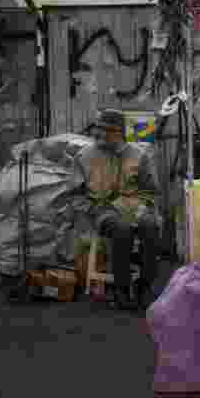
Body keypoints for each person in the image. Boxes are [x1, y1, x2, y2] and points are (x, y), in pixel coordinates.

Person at [76, 109, 162, 311]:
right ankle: (121, 289)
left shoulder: (139, 156)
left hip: (135, 207)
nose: (97, 134)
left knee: (151, 226)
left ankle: (144, 286)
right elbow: (75, 194)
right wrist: (90, 209)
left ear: (118, 133)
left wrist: (143, 207)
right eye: (96, 129)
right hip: (103, 210)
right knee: (122, 228)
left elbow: (151, 191)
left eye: (103, 130)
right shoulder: (84, 157)